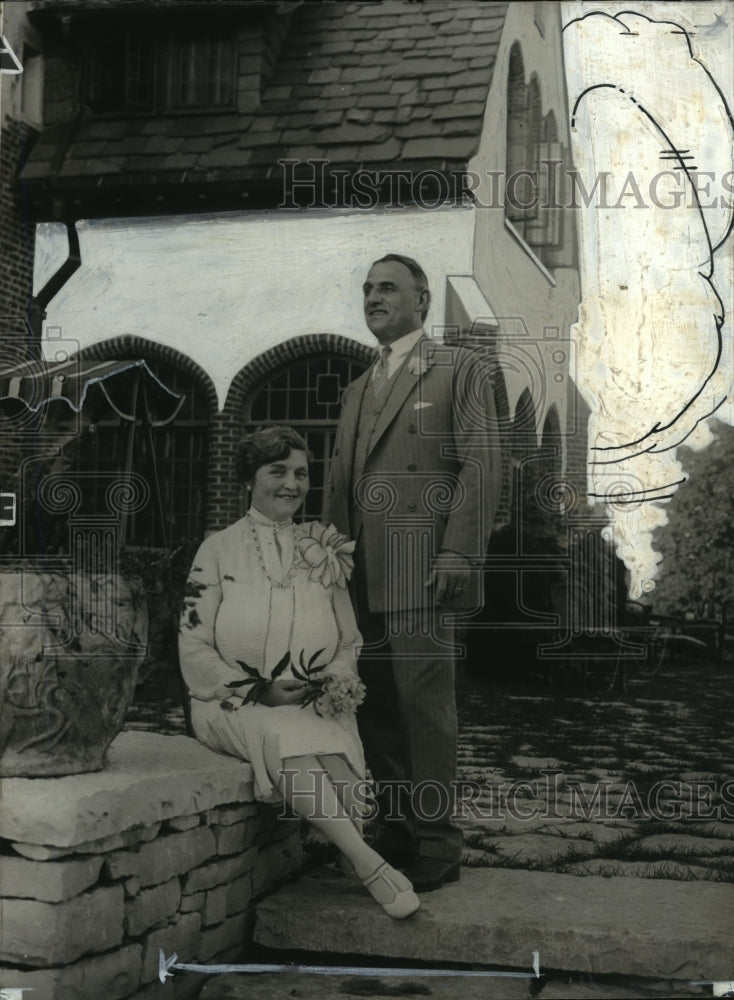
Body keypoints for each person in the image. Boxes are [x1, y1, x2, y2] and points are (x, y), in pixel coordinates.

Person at [178, 424, 420, 919]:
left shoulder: (322, 551)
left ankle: (346, 844)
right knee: (281, 733)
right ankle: (369, 864)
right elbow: (193, 643)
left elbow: (348, 639)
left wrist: (335, 679)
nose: (291, 483)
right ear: (249, 479)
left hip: (310, 702)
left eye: (300, 473)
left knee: (351, 793)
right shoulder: (217, 550)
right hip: (230, 703)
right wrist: (259, 689)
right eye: (277, 471)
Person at [324, 254, 501, 892]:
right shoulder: (355, 389)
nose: (373, 297)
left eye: (388, 288)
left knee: (426, 709)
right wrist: (326, 564)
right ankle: (395, 831)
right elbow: (337, 488)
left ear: (422, 302)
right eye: (367, 288)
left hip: (424, 569)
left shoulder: (459, 368)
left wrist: (459, 551)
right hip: (358, 576)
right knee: (374, 711)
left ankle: (437, 844)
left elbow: (482, 462)